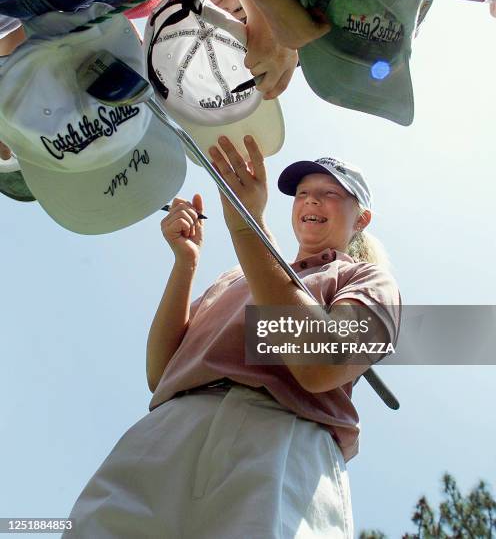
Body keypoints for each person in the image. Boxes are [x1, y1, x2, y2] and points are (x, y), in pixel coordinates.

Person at [62, 135, 400, 538]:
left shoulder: (368, 280)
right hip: (172, 428)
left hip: (281, 434)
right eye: (303, 193)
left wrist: (246, 223)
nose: (311, 200)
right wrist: (186, 262)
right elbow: (162, 374)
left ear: (361, 219)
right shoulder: (237, 277)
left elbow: (319, 362)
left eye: (329, 193)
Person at [0, 0, 329, 164]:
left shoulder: (174, 3)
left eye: (235, 18)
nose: (234, 14)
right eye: (241, 11)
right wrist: (267, 6)